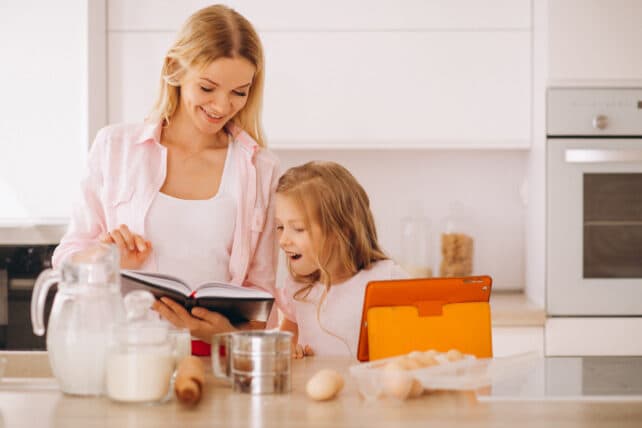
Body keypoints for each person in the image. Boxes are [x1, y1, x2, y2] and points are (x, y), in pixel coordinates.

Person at [52, 5, 280, 351]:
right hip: (124, 353)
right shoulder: (115, 147)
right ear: (174, 69)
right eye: (207, 88)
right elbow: (67, 257)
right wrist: (105, 257)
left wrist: (224, 336)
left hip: (213, 362)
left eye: (239, 91)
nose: (221, 106)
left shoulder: (260, 168)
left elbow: (262, 294)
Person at [274, 161, 408, 358]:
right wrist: (290, 352)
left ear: (340, 231)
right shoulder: (297, 288)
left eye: (298, 229)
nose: (284, 240)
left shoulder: (387, 280)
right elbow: (285, 347)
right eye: (279, 227)